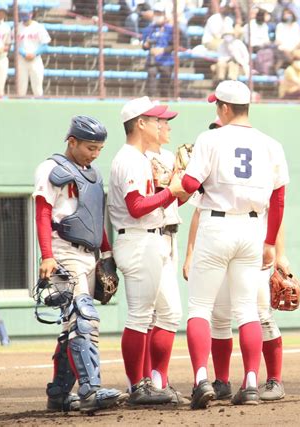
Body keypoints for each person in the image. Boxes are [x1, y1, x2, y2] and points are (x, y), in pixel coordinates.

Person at [178, 80, 289, 409]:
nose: (217, 110)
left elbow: (188, 184)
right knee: (247, 310)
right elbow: (279, 198)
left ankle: (201, 380)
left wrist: (184, 175)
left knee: (200, 307)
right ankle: (252, 383)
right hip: (253, 229)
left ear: (225, 108)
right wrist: (270, 242)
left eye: (217, 106)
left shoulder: (211, 137)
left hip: (216, 224)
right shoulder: (271, 144)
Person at [33, 116, 127, 413]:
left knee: (71, 326)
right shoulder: (51, 168)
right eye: (90, 147)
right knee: (84, 317)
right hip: (62, 250)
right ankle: (89, 391)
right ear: (71, 141)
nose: (95, 153)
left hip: (89, 255)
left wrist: (107, 254)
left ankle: (60, 394)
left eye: (100, 148)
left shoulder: (93, 173)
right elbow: (42, 213)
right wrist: (47, 254)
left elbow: (94, 219)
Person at [107, 97, 186, 405]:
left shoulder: (141, 158)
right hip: (137, 239)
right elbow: (136, 206)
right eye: (155, 120)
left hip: (151, 239)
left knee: (169, 313)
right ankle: (138, 386)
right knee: (140, 316)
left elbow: (158, 202)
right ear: (140, 123)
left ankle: (154, 381)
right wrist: (170, 192)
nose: (160, 124)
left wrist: (179, 190)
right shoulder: (128, 158)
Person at [142, 103, 184, 404]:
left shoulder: (167, 157)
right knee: (160, 313)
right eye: (163, 122)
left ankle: (157, 380)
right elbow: (156, 197)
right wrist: (179, 181)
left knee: (159, 314)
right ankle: (150, 380)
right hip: (149, 239)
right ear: (148, 125)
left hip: (170, 235)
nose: (168, 127)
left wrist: (188, 184)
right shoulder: (141, 158)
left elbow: (172, 202)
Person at [17, 4, 51, 97]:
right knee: (21, 89)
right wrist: (23, 53)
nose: (23, 15)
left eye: (26, 13)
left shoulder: (38, 27)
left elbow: (45, 45)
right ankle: (19, 108)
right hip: (22, 60)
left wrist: (35, 53)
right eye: (22, 13)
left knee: (37, 88)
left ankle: (39, 108)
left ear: (31, 14)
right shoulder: (17, 27)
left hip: (35, 60)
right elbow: (13, 45)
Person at [142, 4, 174, 98]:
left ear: (164, 15)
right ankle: (151, 100)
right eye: (156, 13)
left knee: (165, 83)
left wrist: (163, 50)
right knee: (151, 77)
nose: (157, 16)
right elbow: (144, 46)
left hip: (166, 61)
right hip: (152, 61)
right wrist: (146, 45)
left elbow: (174, 46)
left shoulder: (170, 29)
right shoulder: (149, 29)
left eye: (160, 14)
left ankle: (164, 99)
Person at [0, 1, 10, 97]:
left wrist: (0, 50)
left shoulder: (6, 27)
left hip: (1, 59)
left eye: (3, 12)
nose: (2, 14)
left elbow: (8, 45)